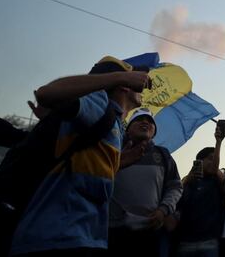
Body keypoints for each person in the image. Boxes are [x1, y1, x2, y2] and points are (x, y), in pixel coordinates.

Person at [9, 56, 150, 256]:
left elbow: (86, 171)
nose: (143, 84)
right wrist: (120, 76)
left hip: (83, 235)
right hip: (58, 236)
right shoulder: (99, 103)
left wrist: (118, 162)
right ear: (124, 86)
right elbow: (45, 93)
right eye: (136, 77)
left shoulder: (116, 122)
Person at [108, 108, 182, 257]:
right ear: (127, 129)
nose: (145, 122)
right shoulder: (113, 149)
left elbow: (175, 186)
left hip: (150, 231)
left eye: (150, 122)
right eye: (139, 119)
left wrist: (163, 210)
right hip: (113, 230)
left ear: (154, 132)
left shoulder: (163, 155)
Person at [168, 127, 225, 257]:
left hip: (210, 242)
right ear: (200, 161)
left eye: (215, 159)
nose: (212, 162)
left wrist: (218, 142)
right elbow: (175, 199)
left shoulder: (217, 181)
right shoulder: (187, 182)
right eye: (209, 159)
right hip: (185, 242)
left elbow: (217, 173)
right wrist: (188, 179)